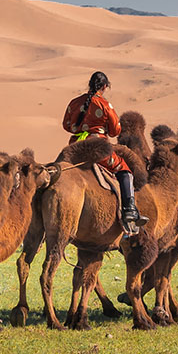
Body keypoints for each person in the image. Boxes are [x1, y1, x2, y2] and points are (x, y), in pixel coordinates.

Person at [62, 71, 147, 235]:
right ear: (105, 86)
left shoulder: (74, 103)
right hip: (98, 147)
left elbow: (66, 125)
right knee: (124, 170)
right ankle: (129, 210)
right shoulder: (105, 105)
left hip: (75, 147)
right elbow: (116, 131)